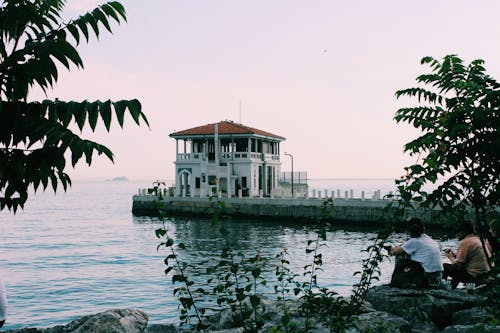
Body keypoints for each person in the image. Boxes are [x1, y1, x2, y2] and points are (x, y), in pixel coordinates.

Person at [390, 218, 443, 288]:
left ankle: (398, 278)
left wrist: (393, 249)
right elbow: (439, 247)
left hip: (425, 278)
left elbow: (393, 252)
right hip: (438, 277)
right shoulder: (428, 238)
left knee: (401, 254)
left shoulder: (414, 241)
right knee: (408, 252)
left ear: (409, 230)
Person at [443, 220, 491, 289]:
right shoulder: (477, 239)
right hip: (484, 275)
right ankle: (452, 288)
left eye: (458, 232)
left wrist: (451, 257)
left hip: (474, 277)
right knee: (457, 270)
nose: (456, 235)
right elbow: (468, 259)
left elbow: (457, 267)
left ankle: (444, 287)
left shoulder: (466, 242)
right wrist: (456, 256)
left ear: (463, 232)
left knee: (445, 267)